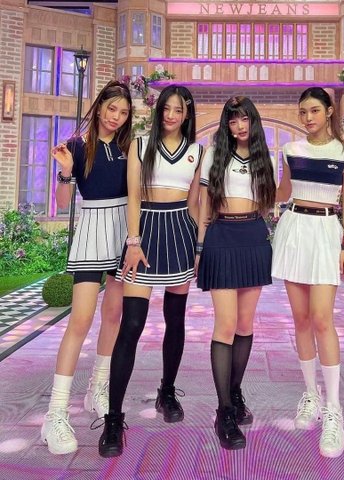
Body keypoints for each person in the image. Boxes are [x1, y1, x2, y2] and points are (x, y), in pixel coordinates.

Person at [98, 85, 203, 458]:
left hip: (180, 234)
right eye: (166, 109)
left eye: (179, 110)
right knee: (131, 325)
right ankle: (113, 419)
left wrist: (198, 247)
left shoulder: (197, 152)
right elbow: (133, 196)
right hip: (144, 234)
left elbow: (195, 205)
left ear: (187, 114)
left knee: (176, 321)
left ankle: (167, 392)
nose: (171, 116)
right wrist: (133, 241)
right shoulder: (140, 145)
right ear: (159, 111)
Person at [41, 80, 133, 455]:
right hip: (93, 231)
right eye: (111, 109)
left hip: (123, 232)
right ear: (99, 107)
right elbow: (63, 201)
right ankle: (55, 413)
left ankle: (98, 387)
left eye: (123, 112)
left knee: (113, 315)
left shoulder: (129, 148)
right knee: (80, 320)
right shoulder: (78, 147)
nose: (116, 117)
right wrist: (65, 170)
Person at [272, 87, 344, 458]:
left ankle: (334, 409)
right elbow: (282, 192)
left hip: (326, 232)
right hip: (294, 230)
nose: (308, 118)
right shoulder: (290, 150)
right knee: (302, 319)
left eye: (314, 111)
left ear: (329, 112)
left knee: (323, 319)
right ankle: (311, 395)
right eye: (303, 112)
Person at [196, 96, 276, 450]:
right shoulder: (214, 154)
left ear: (253, 121)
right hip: (221, 236)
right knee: (226, 325)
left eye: (244, 119)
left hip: (254, 237)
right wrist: (200, 247)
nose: (239, 126)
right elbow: (204, 204)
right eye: (232, 121)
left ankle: (235, 392)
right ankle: (224, 411)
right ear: (226, 125)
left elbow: (270, 200)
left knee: (245, 325)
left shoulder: (262, 157)